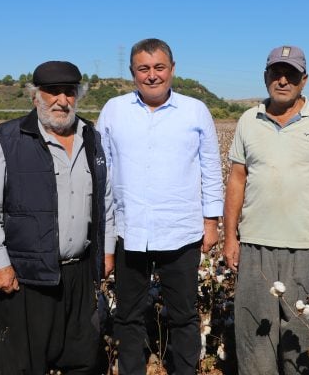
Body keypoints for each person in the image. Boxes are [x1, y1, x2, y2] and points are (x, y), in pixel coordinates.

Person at [0, 61, 114, 374]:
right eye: (52, 92)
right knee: (21, 365)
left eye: (69, 92)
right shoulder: (9, 140)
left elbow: (105, 200)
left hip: (79, 275)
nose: (61, 100)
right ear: (34, 96)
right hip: (25, 279)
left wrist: (105, 251)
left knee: (82, 361)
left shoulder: (91, 138)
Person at [96, 38, 224, 375]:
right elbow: (102, 174)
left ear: (172, 70)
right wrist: (104, 235)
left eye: (159, 67)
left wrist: (211, 221)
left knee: (183, 314)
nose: (152, 75)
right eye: (144, 69)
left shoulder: (195, 110)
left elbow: (211, 168)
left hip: (181, 231)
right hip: (130, 230)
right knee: (128, 314)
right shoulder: (114, 110)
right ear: (132, 73)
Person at [222, 45, 309, 374]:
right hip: (255, 245)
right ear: (265, 77)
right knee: (255, 337)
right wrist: (230, 238)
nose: (282, 80)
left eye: (290, 74)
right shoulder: (249, 120)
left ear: (303, 80)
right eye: (275, 73)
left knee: (307, 339)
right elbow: (237, 180)